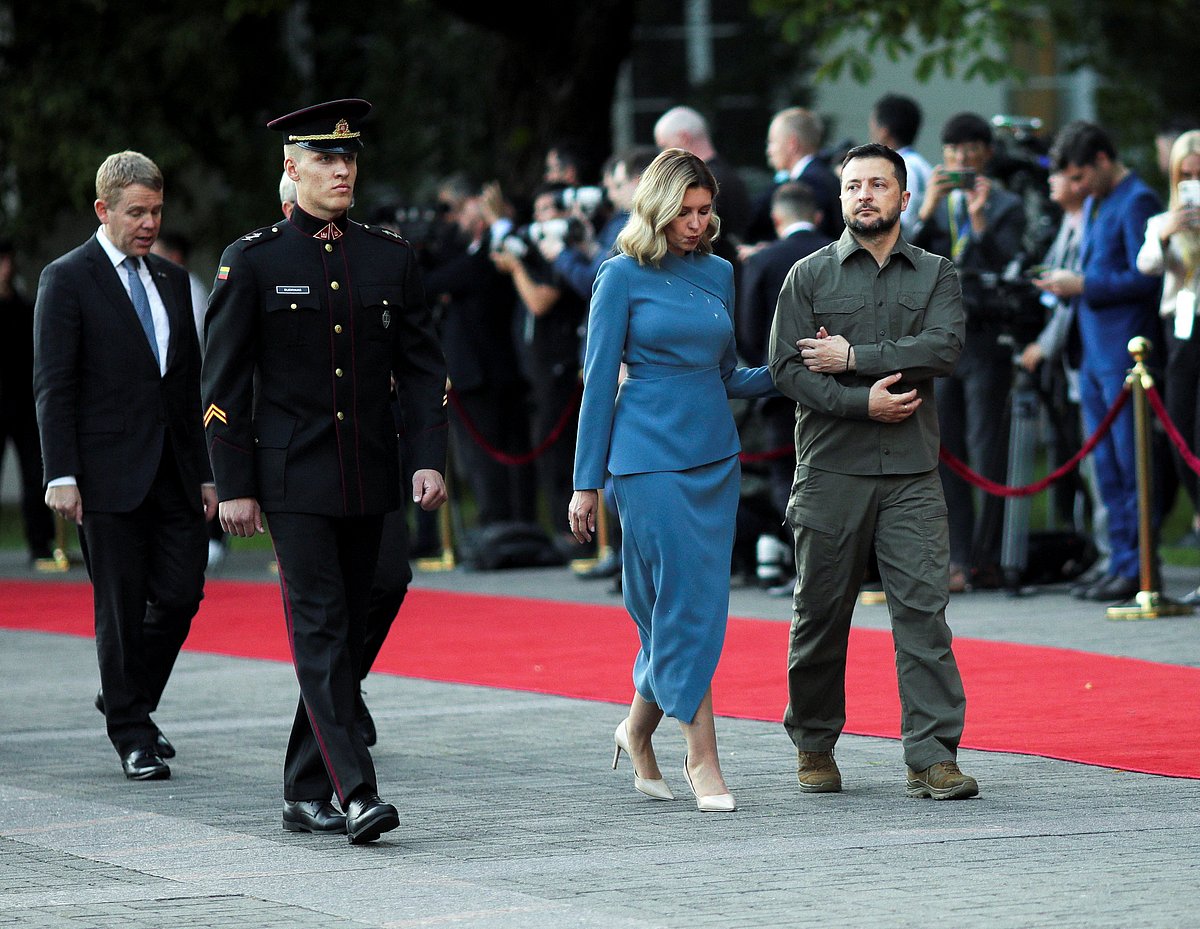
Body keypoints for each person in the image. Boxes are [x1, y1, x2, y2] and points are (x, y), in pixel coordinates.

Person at [202, 99, 448, 844]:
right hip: (293, 476)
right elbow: (222, 384)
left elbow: (422, 367)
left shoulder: (388, 256)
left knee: (381, 590)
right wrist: (234, 483)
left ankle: (305, 783)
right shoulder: (254, 260)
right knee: (320, 625)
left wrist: (427, 456)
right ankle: (357, 791)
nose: (342, 170)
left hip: (370, 469)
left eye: (349, 158)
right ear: (292, 167)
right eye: (325, 158)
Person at [568, 149, 777, 813]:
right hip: (646, 459)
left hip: (715, 457)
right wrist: (585, 482)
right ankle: (702, 758)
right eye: (684, 211)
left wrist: (789, 370)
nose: (696, 223)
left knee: (693, 605)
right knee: (684, 605)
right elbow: (597, 384)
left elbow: (727, 375)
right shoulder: (619, 275)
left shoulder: (719, 272)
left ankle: (635, 730)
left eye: (705, 210)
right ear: (655, 208)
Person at [768, 142, 979, 801]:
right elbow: (788, 370)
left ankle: (933, 757)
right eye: (854, 185)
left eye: (879, 184)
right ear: (839, 197)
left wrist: (853, 356)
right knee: (820, 614)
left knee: (924, 615)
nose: (865, 194)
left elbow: (942, 348)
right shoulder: (808, 276)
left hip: (912, 472)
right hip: (831, 469)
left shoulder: (937, 274)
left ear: (904, 197)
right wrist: (863, 402)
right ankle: (814, 742)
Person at [33, 151, 216, 781]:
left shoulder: (172, 279)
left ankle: (124, 693)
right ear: (102, 209)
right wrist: (61, 474)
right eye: (136, 212)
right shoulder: (66, 278)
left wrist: (206, 472)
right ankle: (132, 733)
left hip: (174, 470)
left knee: (182, 592)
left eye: (156, 211)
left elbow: (187, 386)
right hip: (105, 474)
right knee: (120, 604)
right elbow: (54, 385)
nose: (148, 223)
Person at [1036, 121, 1163, 603]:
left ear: (1104, 161)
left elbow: (1146, 278)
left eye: (1081, 176)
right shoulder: (1097, 200)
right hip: (1093, 353)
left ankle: (1140, 567)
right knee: (1105, 467)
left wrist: (1084, 284)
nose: (1077, 187)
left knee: (1131, 465)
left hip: (1125, 353)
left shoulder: (1137, 200)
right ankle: (1119, 561)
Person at [908, 112, 1026, 591]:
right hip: (940, 338)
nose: (961, 161)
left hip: (983, 337)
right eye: (953, 152)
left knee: (985, 449)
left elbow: (1008, 265)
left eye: (970, 152)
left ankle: (988, 557)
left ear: (986, 155)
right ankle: (957, 556)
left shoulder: (1006, 205)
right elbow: (905, 259)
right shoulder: (933, 205)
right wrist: (925, 209)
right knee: (946, 450)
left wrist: (979, 224)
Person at [491, 183, 587, 537]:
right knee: (547, 449)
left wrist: (517, 267)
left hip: (559, 365)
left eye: (548, 209)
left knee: (559, 450)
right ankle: (562, 529)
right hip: (536, 367)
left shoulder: (565, 253)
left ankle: (573, 533)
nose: (541, 219)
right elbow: (498, 255)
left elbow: (540, 301)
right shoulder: (539, 252)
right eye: (537, 212)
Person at [737, 182, 831, 520]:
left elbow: (747, 331)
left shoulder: (762, 260)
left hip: (779, 387)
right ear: (817, 217)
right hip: (836, 383)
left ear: (776, 219)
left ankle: (802, 549)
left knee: (787, 479)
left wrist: (765, 362)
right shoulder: (839, 255)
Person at [1137, 130, 1200, 598]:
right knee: (1181, 440)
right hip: (1179, 336)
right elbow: (1147, 265)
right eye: (1186, 174)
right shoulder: (1163, 220)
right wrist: (1165, 233)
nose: (1193, 182)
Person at [0, 240, 55, 563]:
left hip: (23, 404)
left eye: (7, 260)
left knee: (35, 474)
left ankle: (40, 543)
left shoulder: (24, 308)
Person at [654, 106, 753, 241]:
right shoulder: (730, 177)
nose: (662, 154)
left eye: (664, 146)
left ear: (684, 138)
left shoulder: (700, 183)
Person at [747, 107, 843, 242]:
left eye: (772, 142)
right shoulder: (823, 175)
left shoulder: (810, 182)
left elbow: (807, 240)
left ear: (792, 144)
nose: (769, 151)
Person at [868, 94, 933, 237]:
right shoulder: (924, 166)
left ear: (884, 132)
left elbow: (902, 226)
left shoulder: (900, 169)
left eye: (873, 126)